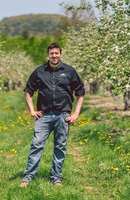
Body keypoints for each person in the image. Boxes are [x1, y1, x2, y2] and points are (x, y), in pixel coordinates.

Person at [20, 43, 85, 187]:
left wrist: (76, 113)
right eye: (51, 53)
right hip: (44, 116)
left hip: (63, 115)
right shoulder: (39, 71)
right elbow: (28, 91)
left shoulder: (69, 71)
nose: (54, 56)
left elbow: (80, 92)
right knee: (36, 146)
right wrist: (32, 110)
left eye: (56, 53)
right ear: (48, 55)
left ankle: (56, 178)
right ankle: (27, 177)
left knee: (60, 147)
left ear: (60, 54)